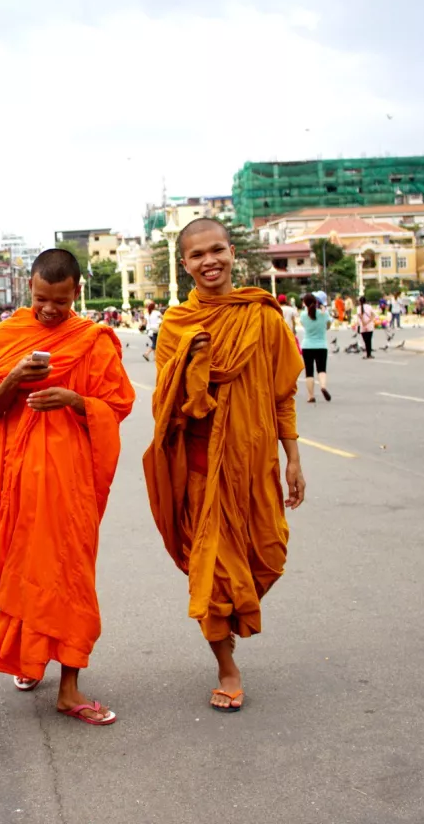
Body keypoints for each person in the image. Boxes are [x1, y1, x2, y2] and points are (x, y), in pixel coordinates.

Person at [144, 218, 305, 713]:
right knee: (211, 571)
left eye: (216, 250)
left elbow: (282, 393)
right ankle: (226, 665)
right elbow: (168, 404)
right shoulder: (176, 325)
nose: (208, 261)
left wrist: (293, 455)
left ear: (232, 252)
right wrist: (190, 365)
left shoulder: (263, 317)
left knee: (269, 553)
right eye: (197, 255)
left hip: (254, 462)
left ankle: (233, 618)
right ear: (184, 264)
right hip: (199, 466)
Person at [0, 249, 135, 725]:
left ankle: (70, 687)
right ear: (31, 289)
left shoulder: (93, 341)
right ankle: (30, 659)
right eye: (41, 298)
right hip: (18, 487)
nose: (48, 310)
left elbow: (117, 405)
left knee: (70, 578)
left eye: (59, 303)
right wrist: (16, 376)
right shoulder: (9, 336)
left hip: (70, 486)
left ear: (76, 294)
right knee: (28, 575)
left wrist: (75, 400)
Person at [299, 293, 331, 403]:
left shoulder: (303, 315)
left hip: (307, 346)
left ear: (305, 303)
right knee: (321, 369)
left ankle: (311, 395)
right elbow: (328, 326)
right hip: (321, 346)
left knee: (309, 371)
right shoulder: (324, 314)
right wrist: (323, 312)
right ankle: (322, 386)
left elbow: (304, 325)